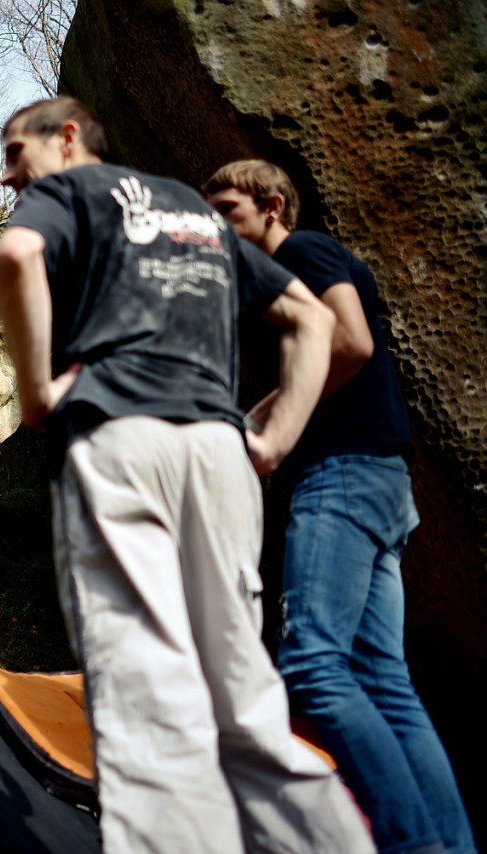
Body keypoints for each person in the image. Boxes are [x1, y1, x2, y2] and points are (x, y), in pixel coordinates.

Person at [0, 97, 374, 852]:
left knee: (146, 692)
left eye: (16, 153)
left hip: (119, 438)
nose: (10, 178)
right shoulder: (192, 211)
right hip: (218, 453)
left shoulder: (65, 192)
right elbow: (315, 321)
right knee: (244, 700)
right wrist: (270, 440)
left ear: (68, 138)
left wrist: (36, 393)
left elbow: (17, 257)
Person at [206, 160, 475, 854]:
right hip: (382, 480)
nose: (217, 229)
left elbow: (349, 341)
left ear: (271, 206)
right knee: (386, 683)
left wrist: (269, 425)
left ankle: (412, 843)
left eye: (227, 211)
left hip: (345, 474)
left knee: (313, 666)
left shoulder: (301, 252)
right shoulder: (286, 274)